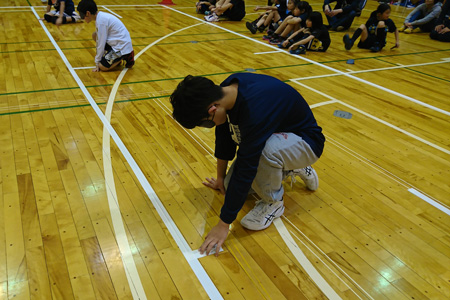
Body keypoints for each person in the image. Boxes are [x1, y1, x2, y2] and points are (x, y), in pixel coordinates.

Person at [170, 73, 325, 256]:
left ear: (213, 108)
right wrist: (220, 178)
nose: (208, 126)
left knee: (264, 152)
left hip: (306, 142)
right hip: (279, 137)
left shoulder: (254, 110)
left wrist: (223, 224)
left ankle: (273, 202)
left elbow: (246, 167)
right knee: (229, 187)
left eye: (205, 123)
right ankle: (289, 165)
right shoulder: (226, 92)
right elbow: (224, 137)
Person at [77, 0, 135, 72]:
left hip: (121, 46)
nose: (82, 18)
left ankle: (126, 55)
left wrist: (97, 62)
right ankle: (116, 58)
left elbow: (100, 43)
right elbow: (99, 39)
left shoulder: (101, 21)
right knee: (94, 35)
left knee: (102, 67)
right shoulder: (100, 17)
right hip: (116, 42)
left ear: (88, 13)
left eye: (82, 15)